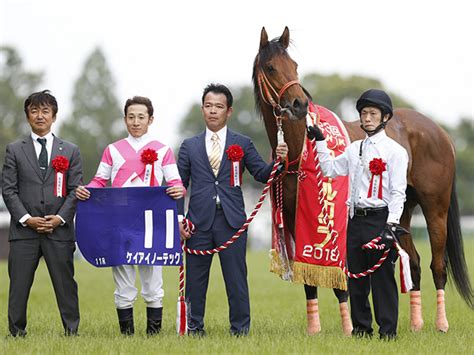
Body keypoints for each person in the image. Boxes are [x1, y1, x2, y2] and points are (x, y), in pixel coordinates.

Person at [178, 83, 288, 336]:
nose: (212, 111)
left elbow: (262, 173)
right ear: (202, 109)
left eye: (218, 106)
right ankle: (194, 328)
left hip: (232, 222)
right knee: (195, 281)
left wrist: (278, 161)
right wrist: (179, 220)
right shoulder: (189, 146)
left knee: (236, 281)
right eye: (208, 106)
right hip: (197, 224)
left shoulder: (243, 143)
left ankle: (240, 330)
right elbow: (178, 186)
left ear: (229, 111)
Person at [75, 96, 185, 336]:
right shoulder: (112, 150)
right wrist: (87, 190)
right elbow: (99, 180)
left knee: (152, 282)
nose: (136, 122)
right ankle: (127, 336)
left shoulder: (163, 149)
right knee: (123, 281)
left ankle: (153, 336)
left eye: (141, 117)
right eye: (131, 117)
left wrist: (179, 189)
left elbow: (175, 181)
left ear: (150, 119)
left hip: (151, 223)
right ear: (125, 119)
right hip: (120, 223)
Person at [308, 89, 408, 340]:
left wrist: (392, 224)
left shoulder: (395, 152)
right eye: (364, 113)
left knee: (382, 279)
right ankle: (361, 329)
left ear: (385, 117)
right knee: (356, 280)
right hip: (355, 219)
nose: (367, 118)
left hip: (380, 219)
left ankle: (388, 332)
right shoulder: (354, 149)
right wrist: (320, 141)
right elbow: (329, 170)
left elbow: (398, 192)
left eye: (373, 113)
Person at [1, 90, 82, 337]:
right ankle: (16, 332)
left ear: (54, 116)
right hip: (24, 232)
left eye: (45, 111)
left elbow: (75, 190)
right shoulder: (14, 150)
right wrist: (26, 219)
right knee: (19, 286)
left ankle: (71, 331)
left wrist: (59, 218)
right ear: (27, 116)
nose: (40, 116)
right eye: (34, 111)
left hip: (60, 231)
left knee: (65, 284)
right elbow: (9, 189)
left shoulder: (70, 150)